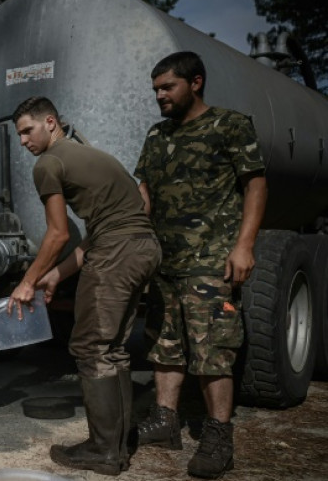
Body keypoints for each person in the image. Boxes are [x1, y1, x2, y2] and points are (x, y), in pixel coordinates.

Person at [8, 96, 161, 475]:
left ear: (50, 122)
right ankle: (120, 443)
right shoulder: (92, 155)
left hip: (116, 251)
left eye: (28, 130)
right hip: (144, 247)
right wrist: (56, 274)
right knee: (112, 348)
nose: (24, 140)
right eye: (19, 134)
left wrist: (26, 282)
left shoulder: (49, 163)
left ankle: (103, 451)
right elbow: (130, 213)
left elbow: (58, 234)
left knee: (91, 346)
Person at [133, 51, 267, 479]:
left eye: (167, 86)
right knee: (163, 345)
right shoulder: (157, 136)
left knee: (213, 352)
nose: (160, 95)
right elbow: (145, 193)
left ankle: (217, 436)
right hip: (165, 262)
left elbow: (256, 185)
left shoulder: (230, 125)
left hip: (210, 260)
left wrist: (244, 245)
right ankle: (165, 421)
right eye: (156, 89)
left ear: (196, 82)